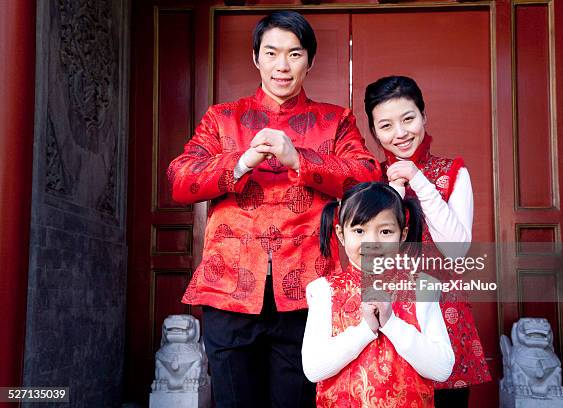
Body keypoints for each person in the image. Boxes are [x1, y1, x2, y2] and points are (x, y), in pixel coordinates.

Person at [167, 11, 381, 408]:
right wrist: (241, 162)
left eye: (294, 54)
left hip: (308, 292)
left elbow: (368, 176)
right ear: (256, 58)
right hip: (229, 288)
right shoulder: (222, 118)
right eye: (272, 53)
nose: (282, 65)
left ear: (309, 61)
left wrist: (299, 158)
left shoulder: (336, 121)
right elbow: (180, 179)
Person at [364, 75, 492, 407]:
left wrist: (419, 180)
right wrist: (393, 192)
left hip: (444, 311)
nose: (401, 133)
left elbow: (456, 250)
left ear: (424, 116)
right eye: (387, 125)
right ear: (375, 132)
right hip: (386, 314)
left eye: (409, 118)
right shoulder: (370, 182)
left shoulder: (454, 172)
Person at [302, 182, 454, 407]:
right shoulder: (323, 291)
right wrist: (365, 330)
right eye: (359, 230)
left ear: (402, 235)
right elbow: (314, 369)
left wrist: (391, 324)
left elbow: (442, 368)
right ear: (341, 235)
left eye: (385, 231)